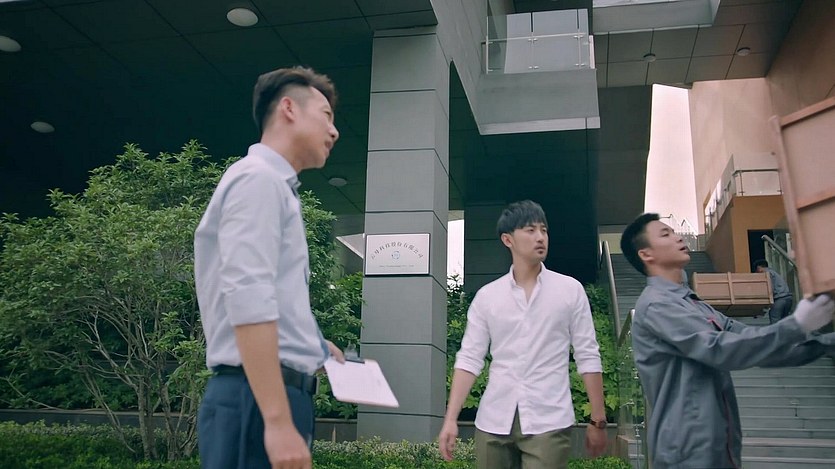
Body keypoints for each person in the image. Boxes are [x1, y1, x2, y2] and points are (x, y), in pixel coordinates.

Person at [194, 66, 344, 469]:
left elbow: (271, 295)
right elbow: (248, 294)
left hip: (263, 395)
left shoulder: (272, 185)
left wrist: (315, 345)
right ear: (289, 108)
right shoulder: (258, 179)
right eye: (326, 116)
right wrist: (276, 421)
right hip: (256, 400)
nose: (334, 132)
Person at [620, 213, 835, 468]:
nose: (677, 237)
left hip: (719, 445)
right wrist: (796, 324)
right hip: (686, 451)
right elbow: (719, 349)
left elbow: (753, 345)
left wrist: (826, 343)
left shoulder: (694, 304)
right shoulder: (657, 305)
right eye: (666, 234)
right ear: (646, 254)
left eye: (674, 231)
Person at [439, 200, 608, 469]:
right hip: (493, 420)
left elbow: (587, 354)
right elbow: (469, 358)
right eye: (530, 230)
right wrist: (450, 419)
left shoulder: (569, 290)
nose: (540, 237)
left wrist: (598, 420)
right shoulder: (488, 296)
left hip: (549, 420)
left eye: (544, 230)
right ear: (508, 239)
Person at [754, 259, 794, 323]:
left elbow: (770, 288)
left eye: (757, 270)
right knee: (784, 321)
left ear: (759, 268)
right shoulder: (774, 273)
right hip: (788, 298)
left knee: (774, 319)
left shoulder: (767, 274)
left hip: (779, 299)